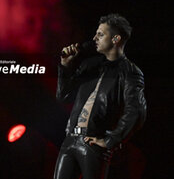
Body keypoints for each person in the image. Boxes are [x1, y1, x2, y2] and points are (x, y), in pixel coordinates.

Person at [54, 14, 147, 179]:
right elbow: (64, 96)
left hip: (94, 144)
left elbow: (136, 112)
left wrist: (111, 140)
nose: (94, 38)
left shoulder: (130, 72)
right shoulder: (90, 65)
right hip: (70, 140)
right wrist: (65, 67)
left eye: (100, 34)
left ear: (115, 39)